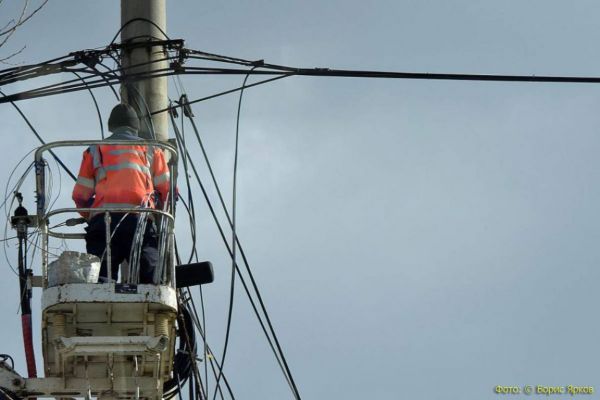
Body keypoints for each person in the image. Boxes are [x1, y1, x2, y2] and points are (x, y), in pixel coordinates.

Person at [72, 103, 171, 284]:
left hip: (104, 223)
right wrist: (157, 218)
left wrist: (90, 215)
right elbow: (167, 192)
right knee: (150, 283)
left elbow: (80, 195)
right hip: (140, 222)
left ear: (111, 126)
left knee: (101, 282)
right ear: (135, 127)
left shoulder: (95, 150)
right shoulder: (152, 150)